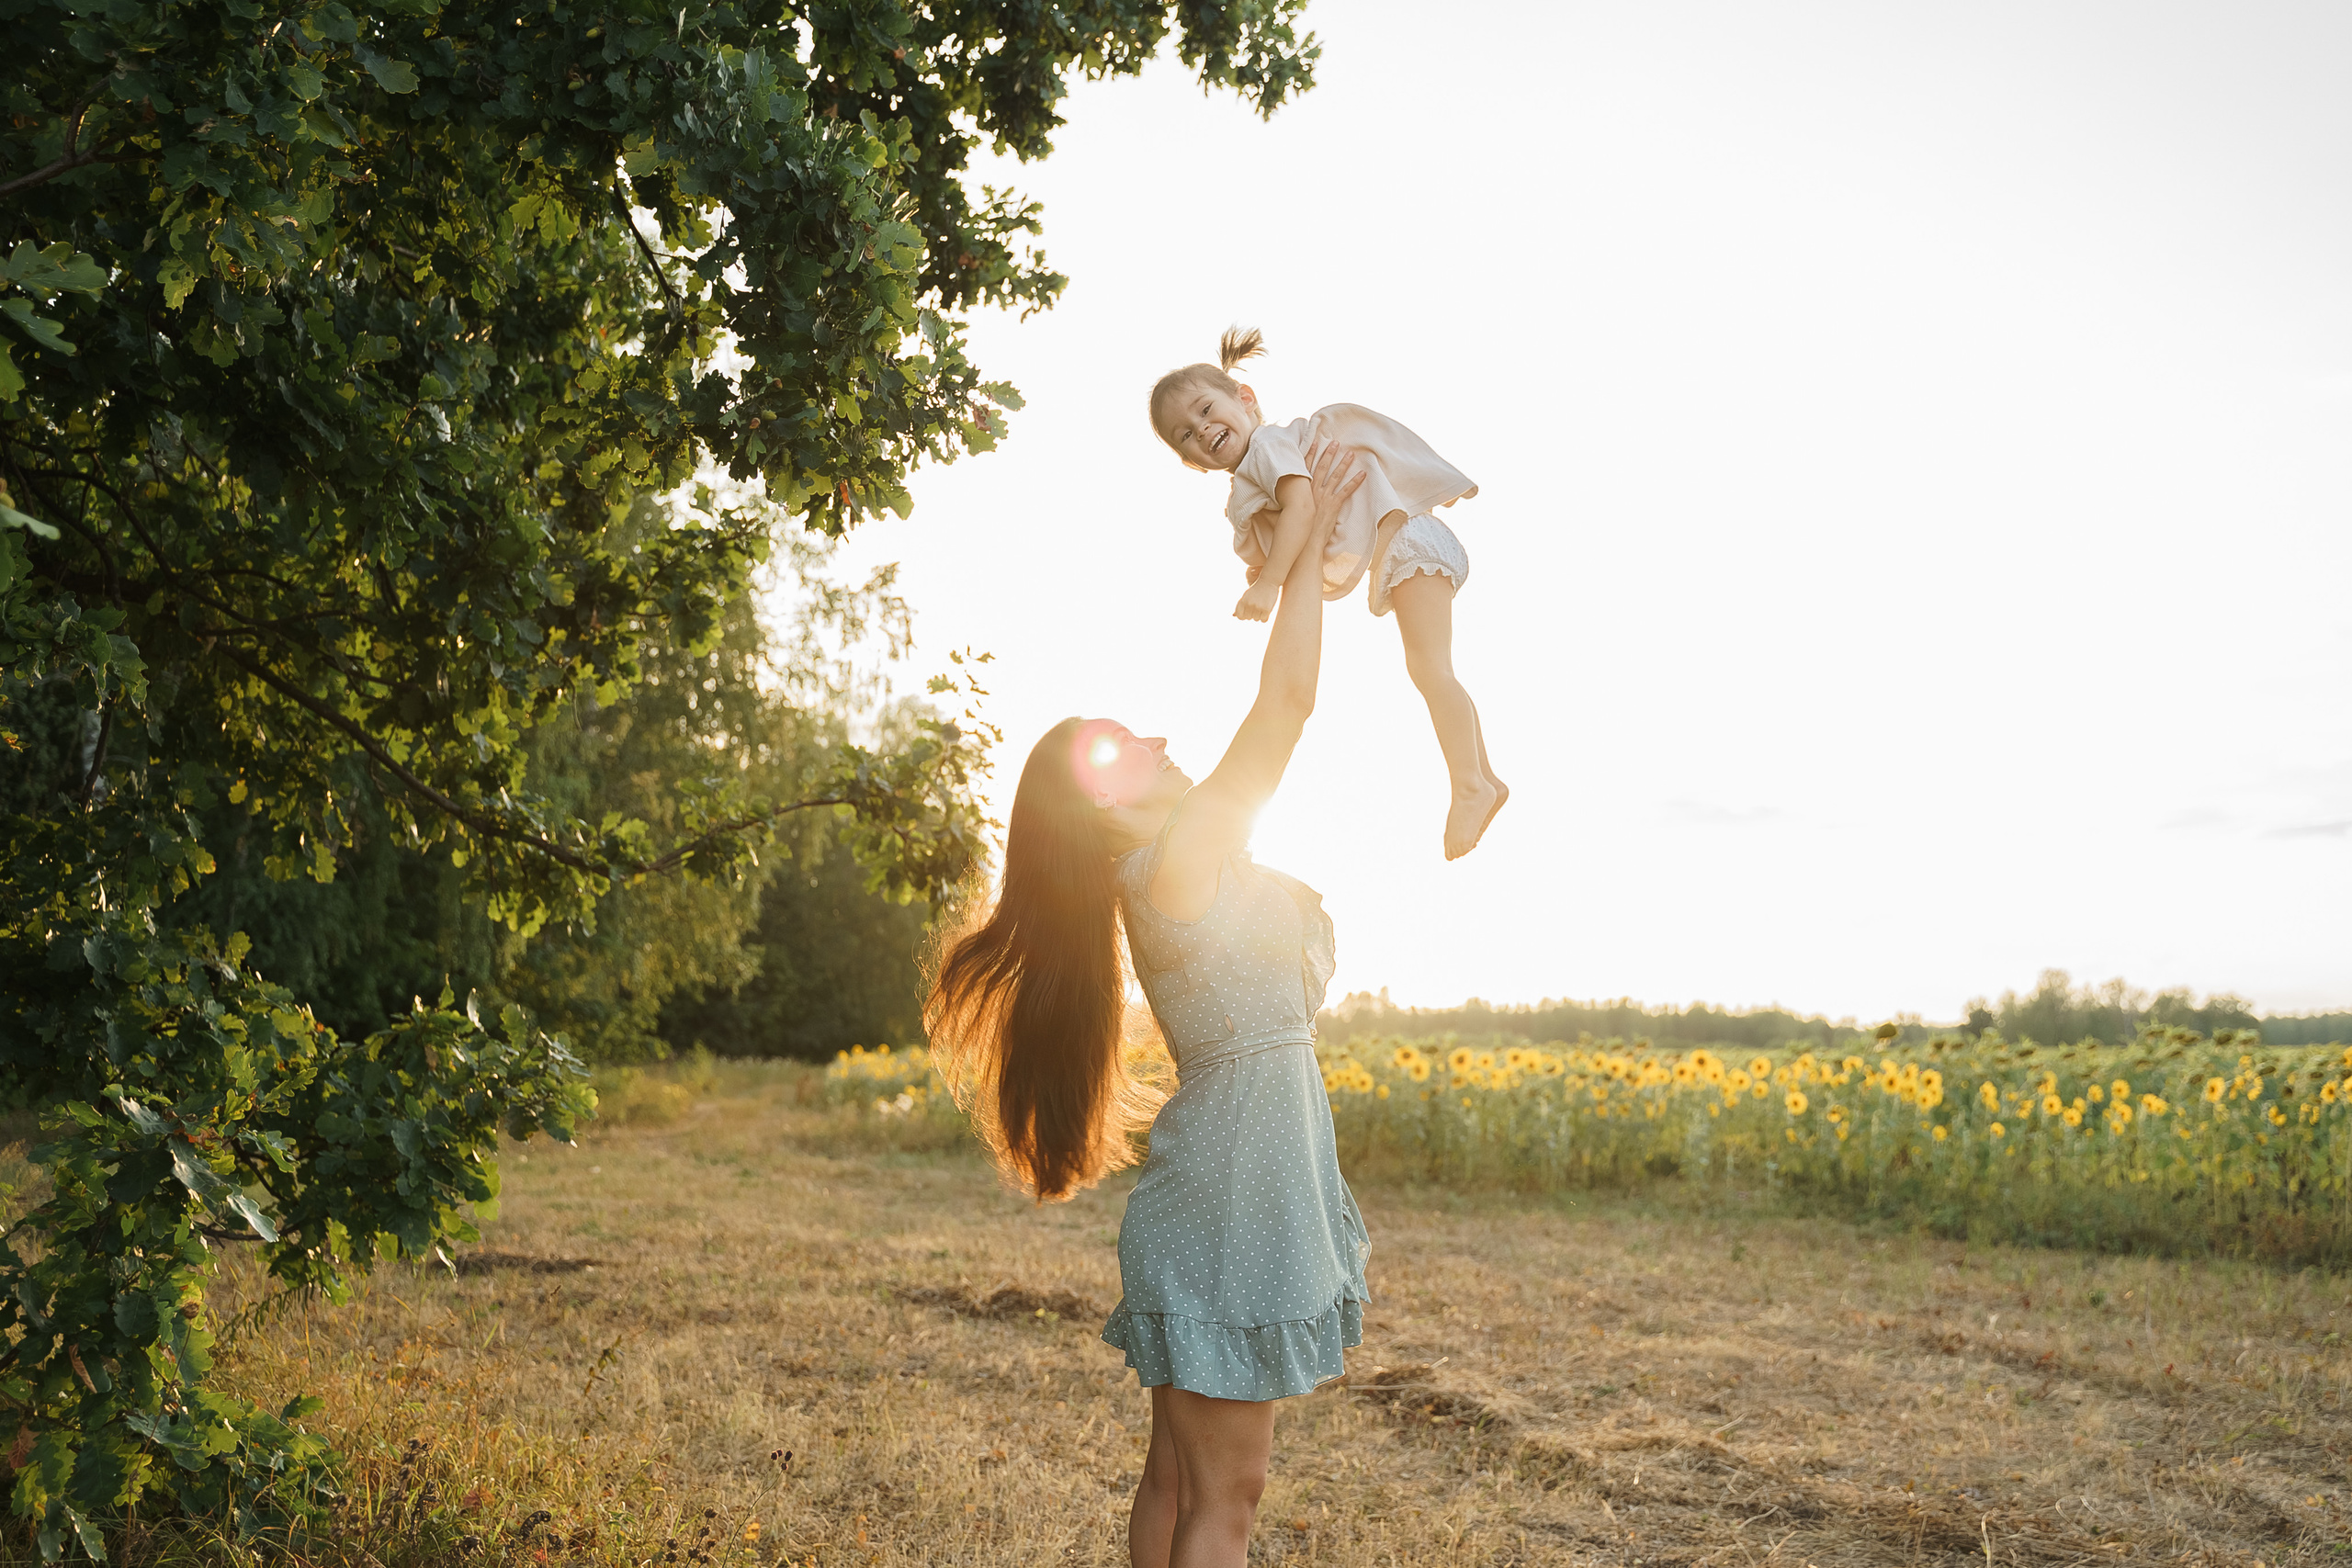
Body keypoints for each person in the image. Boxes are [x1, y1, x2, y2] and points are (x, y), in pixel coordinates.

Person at [927, 438, 1373, 1568]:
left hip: (1227, 1185)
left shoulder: (1170, 872)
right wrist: (1306, 540)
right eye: (1128, 750)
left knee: (1181, 1484)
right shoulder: (1176, 865)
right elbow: (1286, 703)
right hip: (1232, 1196)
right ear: (1100, 806)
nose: (1164, 744)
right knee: (1226, 1496)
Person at [1148, 327, 1508, 859]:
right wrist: (1270, 564)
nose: (1201, 429)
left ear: (1245, 399)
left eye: (1206, 410)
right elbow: (1290, 525)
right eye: (1185, 434)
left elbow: (1304, 508)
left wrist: (1270, 582)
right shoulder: (1257, 473)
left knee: (1430, 670)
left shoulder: (1268, 448)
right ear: (1192, 462)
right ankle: (1484, 778)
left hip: (1409, 542)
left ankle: (1471, 785)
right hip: (1410, 544)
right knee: (1432, 669)